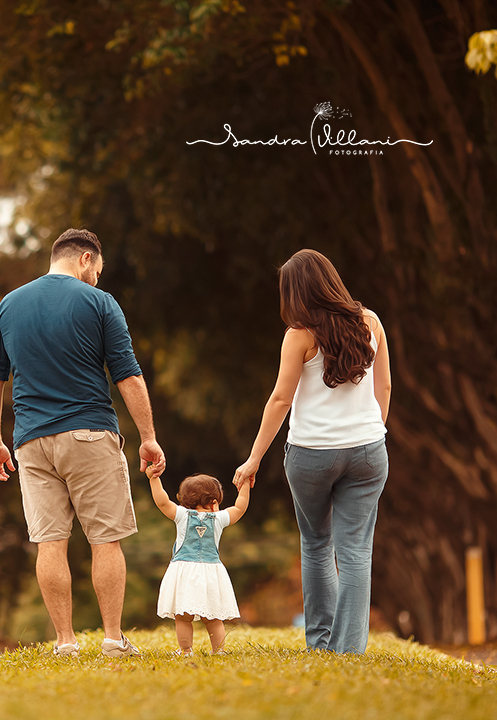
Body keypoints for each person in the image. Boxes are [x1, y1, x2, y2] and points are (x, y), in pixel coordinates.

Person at [0, 228, 166, 658]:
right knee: (105, 540)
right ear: (85, 259)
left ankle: (65, 643)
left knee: (50, 542)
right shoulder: (100, 303)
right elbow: (127, 374)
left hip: (30, 443)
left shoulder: (6, 307)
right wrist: (148, 437)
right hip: (90, 434)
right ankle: (113, 639)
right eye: (97, 272)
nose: (97, 280)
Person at [233, 249, 391, 654]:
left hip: (312, 455)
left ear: (298, 291)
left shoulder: (299, 335)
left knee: (317, 543)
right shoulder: (370, 322)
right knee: (355, 551)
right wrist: (373, 433)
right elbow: (384, 388)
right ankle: (349, 649)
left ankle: (321, 644)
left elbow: (280, 400)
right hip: (368, 451)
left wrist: (254, 458)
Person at [147, 463, 249, 655]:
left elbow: (162, 502)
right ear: (214, 500)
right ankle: (219, 651)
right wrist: (244, 485)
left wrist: (154, 479)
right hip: (211, 572)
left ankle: (186, 651)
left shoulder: (182, 515)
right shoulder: (219, 518)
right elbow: (240, 507)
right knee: (214, 617)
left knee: (183, 616)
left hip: (184, 571)